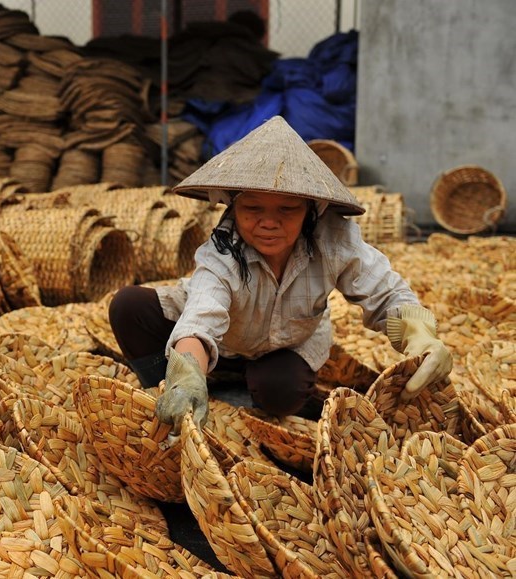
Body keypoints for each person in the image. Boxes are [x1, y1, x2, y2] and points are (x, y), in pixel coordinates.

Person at [108, 116, 452, 430]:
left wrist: (419, 334)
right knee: (129, 306)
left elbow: (386, 291)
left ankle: (253, 388)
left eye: (287, 209)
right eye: (252, 208)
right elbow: (201, 314)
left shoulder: (333, 240)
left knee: (280, 393)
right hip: (222, 341)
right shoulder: (224, 249)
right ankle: (176, 391)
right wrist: (185, 373)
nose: (268, 223)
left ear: (311, 209)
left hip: (285, 345)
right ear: (234, 206)